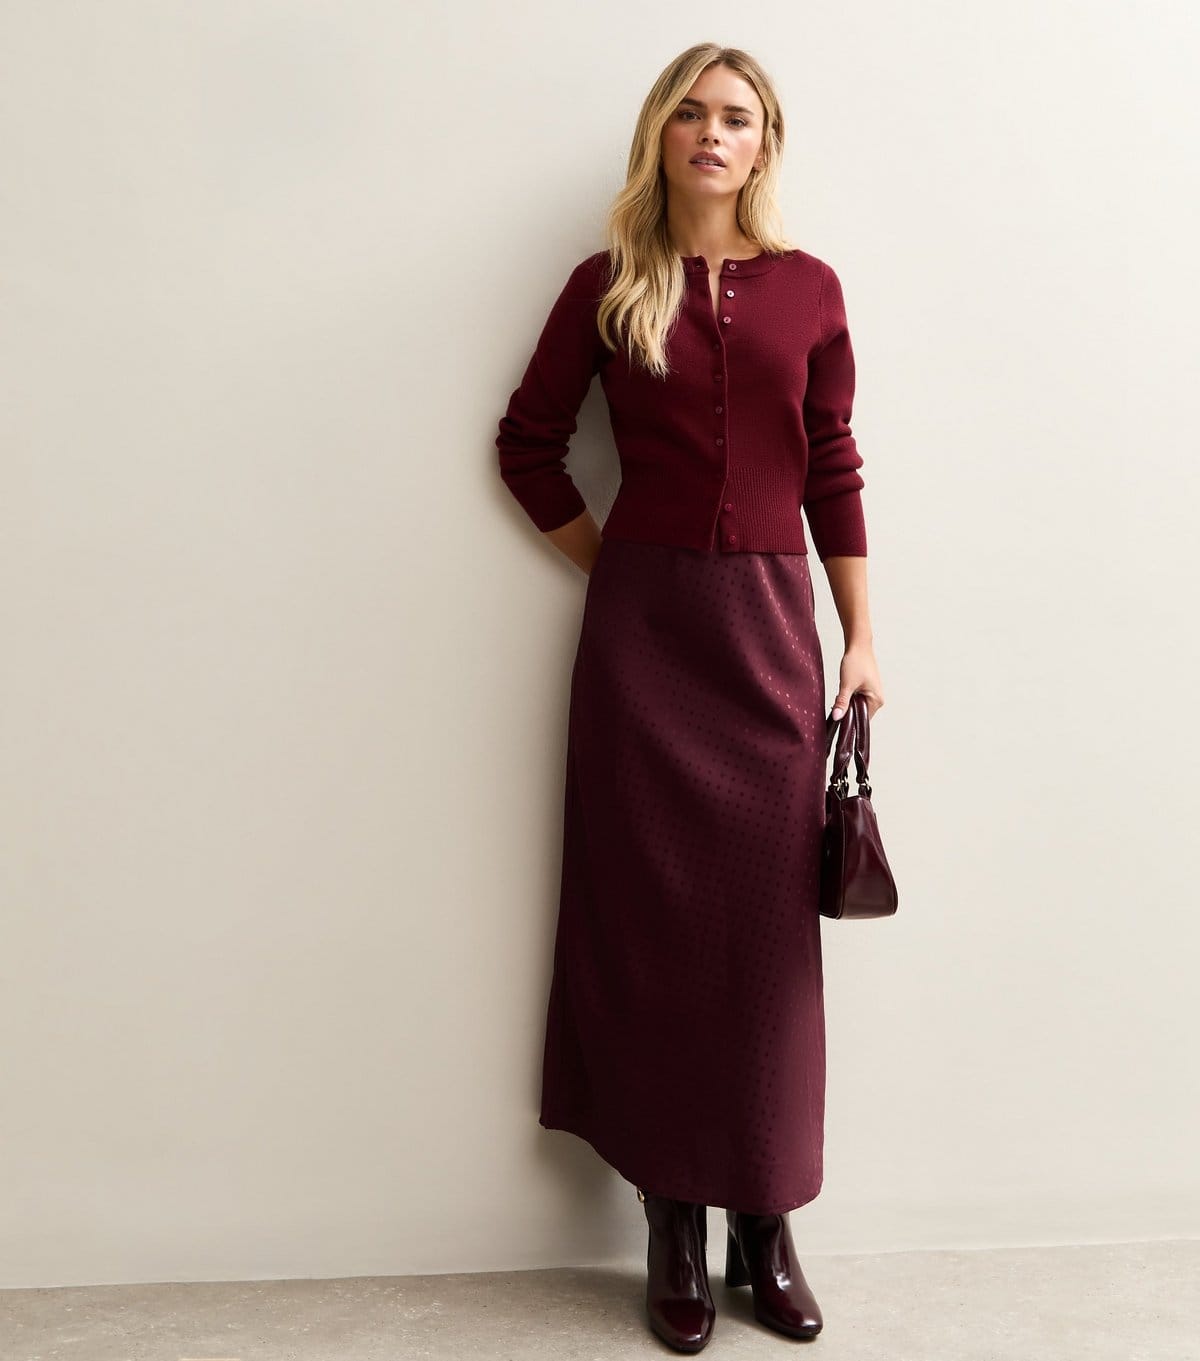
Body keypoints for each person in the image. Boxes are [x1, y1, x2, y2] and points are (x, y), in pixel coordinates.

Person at [495, 42, 886, 1353]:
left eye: (738, 118)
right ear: (660, 135)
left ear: (765, 144)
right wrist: (617, 567)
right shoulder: (608, 284)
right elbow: (527, 444)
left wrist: (862, 635)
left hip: (772, 637)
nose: (713, 135)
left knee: (767, 946)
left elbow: (832, 461)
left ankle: (764, 1225)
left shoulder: (810, 289)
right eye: (691, 115)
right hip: (642, 650)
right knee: (653, 931)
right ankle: (671, 1220)